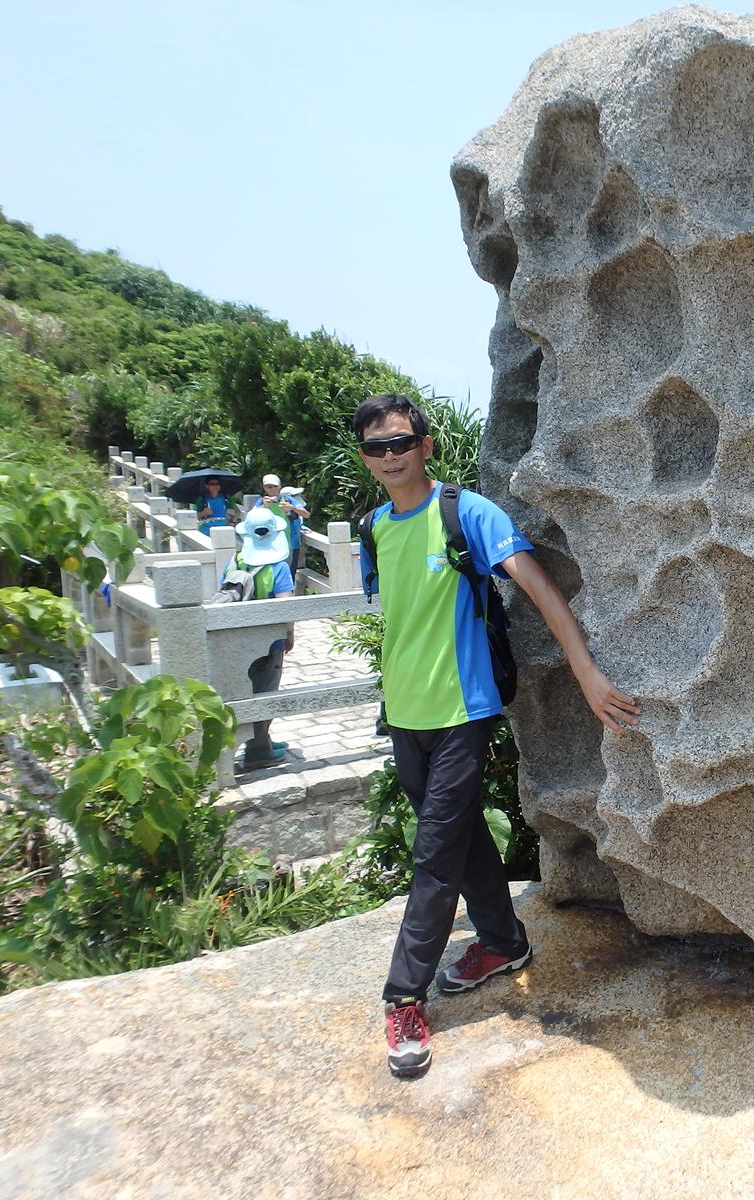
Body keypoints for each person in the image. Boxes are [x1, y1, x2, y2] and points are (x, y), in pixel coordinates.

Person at [354, 392, 638, 1080]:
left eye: (401, 442)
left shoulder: (467, 513)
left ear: (425, 445)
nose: (390, 456)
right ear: (364, 457)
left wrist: (586, 672)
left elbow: (539, 588)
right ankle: (503, 941)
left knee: (432, 856)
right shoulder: (375, 527)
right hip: (406, 715)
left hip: (464, 709)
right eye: (376, 447)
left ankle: (404, 998)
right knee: (460, 838)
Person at [220, 507, 296, 769]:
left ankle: (263, 740)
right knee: (265, 692)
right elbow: (286, 608)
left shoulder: (235, 562)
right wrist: (289, 635)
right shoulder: (279, 568)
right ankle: (259, 749)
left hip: (238, 639)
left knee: (247, 689)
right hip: (269, 642)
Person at [253, 473, 310, 575]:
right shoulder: (261, 502)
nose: (272, 489)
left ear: (280, 486)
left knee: (289, 574)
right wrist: (264, 507)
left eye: (275, 486)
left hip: (290, 543)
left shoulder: (288, 500)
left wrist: (292, 508)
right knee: (271, 575)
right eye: (269, 486)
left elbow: (306, 514)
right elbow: (251, 519)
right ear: (264, 488)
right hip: (268, 544)